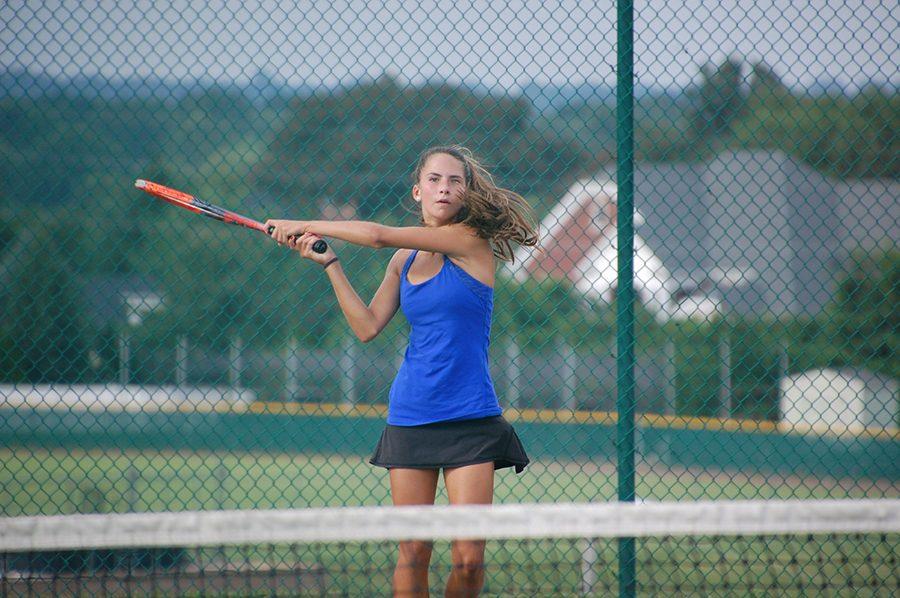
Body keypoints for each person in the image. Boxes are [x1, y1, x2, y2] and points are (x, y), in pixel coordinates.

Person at [266, 145, 537, 597]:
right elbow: (367, 326)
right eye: (434, 179)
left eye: (455, 181)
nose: (444, 188)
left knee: (469, 561)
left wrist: (304, 224)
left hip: (471, 419)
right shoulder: (404, 262)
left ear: (466, 193)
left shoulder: (470, 241)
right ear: (418, 191)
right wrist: (330, 264)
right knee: (413, 552)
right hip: (411, 416)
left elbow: (377, 235)